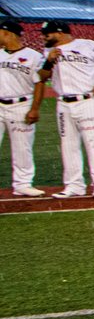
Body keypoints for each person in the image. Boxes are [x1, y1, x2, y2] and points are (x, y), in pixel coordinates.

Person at [38, 20, 94, 199]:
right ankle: (74, 185)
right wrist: (48, 63)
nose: (43, 37)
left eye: (46, 34)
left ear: (60, 32)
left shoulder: (87, 45)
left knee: (93, 144)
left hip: (88, 100)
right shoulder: (48, 52)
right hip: (63, 103)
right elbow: (41, 77)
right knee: (68, 146)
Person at [0, 20, 47, 197]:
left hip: (21, 104)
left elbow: (39, 84)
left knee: (22, 147)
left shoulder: (34, 56)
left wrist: (35, 108)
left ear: (7, 33)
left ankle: (22, 183)